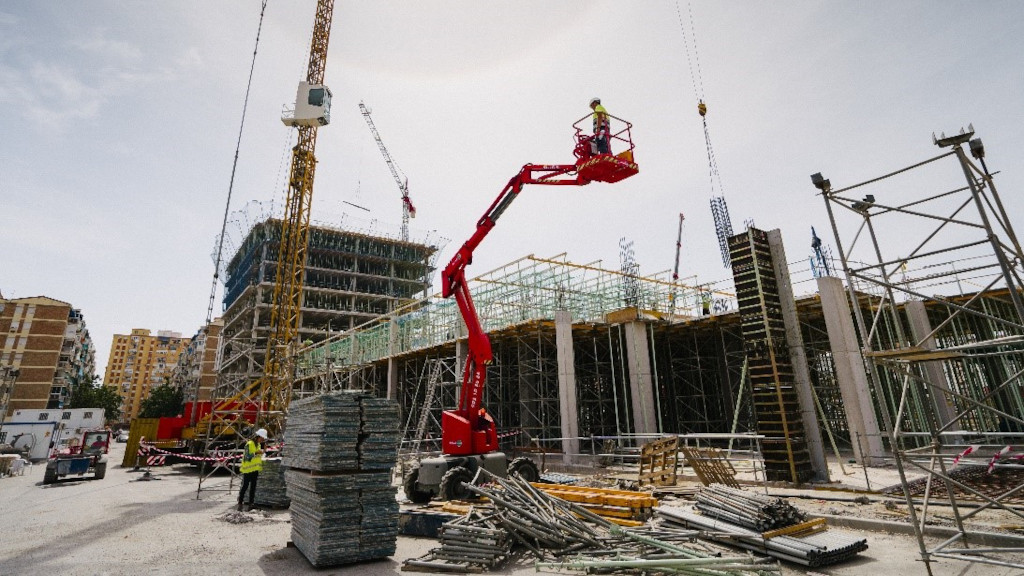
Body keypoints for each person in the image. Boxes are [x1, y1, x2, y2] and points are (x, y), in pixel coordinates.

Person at [237, 428, 267, 511]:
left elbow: (257, 457)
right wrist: (258, 452)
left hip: (255, 469)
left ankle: (251, 504)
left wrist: (263, 451)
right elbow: (247, 456)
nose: (263, 440)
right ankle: (240, 503)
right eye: (262, 438)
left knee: (253, 487)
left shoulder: (258, 445)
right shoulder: (249, 444)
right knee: (245, 486)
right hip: (248, 469)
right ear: (258, 436)